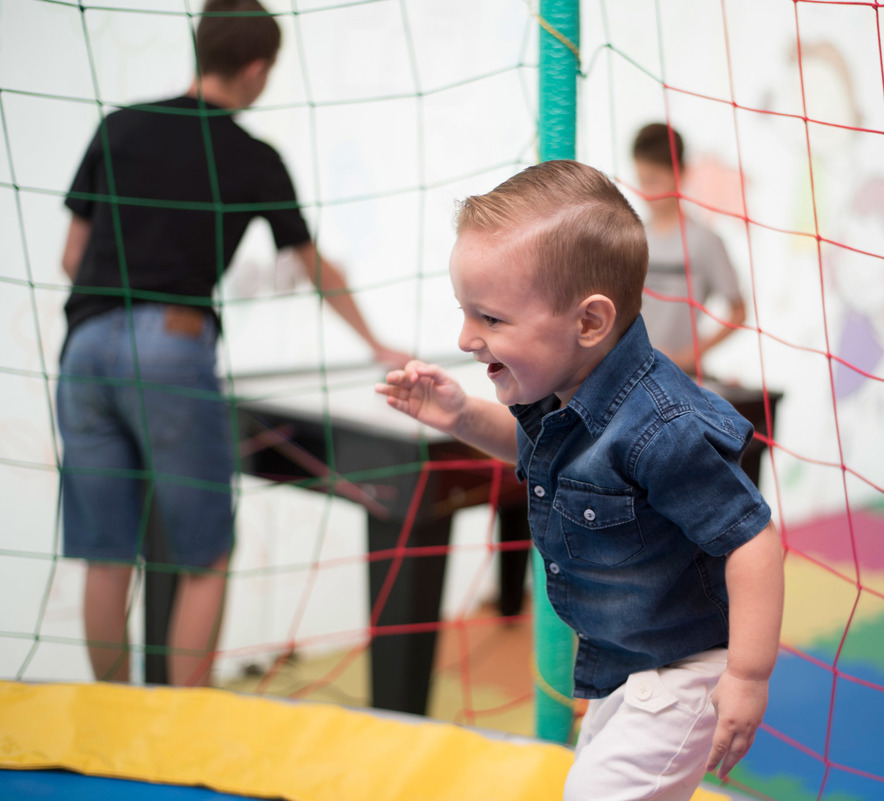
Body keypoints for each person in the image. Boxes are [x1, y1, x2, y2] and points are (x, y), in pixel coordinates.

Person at [375, 160, 783, 799]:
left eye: (491, 319)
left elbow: (751, 539)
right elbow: (540, 451)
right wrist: (458, 415)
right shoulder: (562, 389)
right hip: (623, 664)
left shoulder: (662, 427)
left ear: (589, 323)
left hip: (685, 671)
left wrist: (748, 675)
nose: (466, 338)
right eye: (465, 313)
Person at [57, 0, 409, 688]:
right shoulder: (253, 156)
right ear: (256, 68)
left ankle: (108, 719)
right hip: (172, 342)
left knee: (107, 554)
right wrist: (376, 344)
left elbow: (73, 255)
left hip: (85, 344)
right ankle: (181, 725)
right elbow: (312, 265)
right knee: (204, 556)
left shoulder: (119, 126)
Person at [632, 123, 747, 376]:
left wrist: (690, 355)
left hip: (679, 379)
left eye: (654, 180)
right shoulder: (632, 238)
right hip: (630, 376)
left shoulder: (704, 240)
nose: (647, 191)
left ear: (679, 173)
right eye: (641, 180)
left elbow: (738, 311)